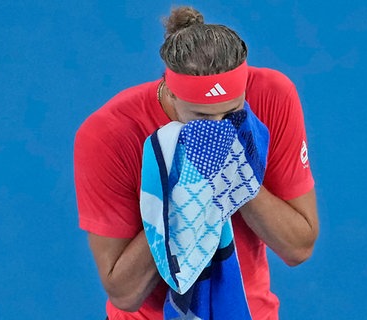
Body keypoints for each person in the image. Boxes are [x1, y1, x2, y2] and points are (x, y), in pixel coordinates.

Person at [74, 6, 319, 320]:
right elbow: (125, 294)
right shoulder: (108, 134)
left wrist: (235, 177)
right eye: (202, 117)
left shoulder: (273, 95)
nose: (218, 129)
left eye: (232, 114)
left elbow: (298, 248)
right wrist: (182, 195)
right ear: (172, 94)